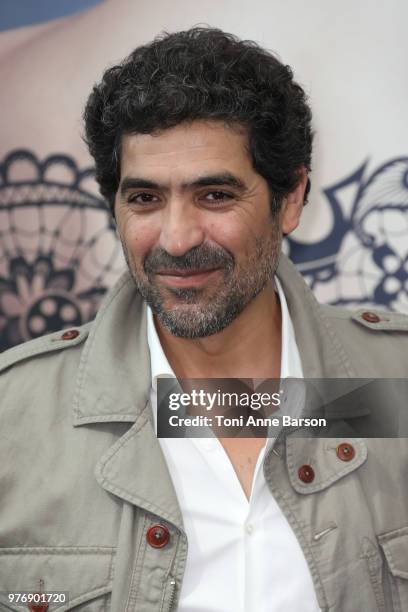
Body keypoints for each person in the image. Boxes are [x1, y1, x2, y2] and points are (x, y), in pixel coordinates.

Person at [0, 27, 407, 612]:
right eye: (144, 199)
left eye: (214, 196)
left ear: (290, 198)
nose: (177, 237)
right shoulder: (16, 415)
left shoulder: (395, 382)